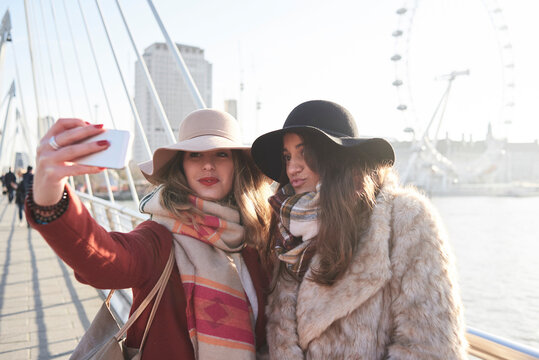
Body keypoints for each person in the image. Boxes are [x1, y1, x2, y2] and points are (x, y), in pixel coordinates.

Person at [26, 110, 273, 359]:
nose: (208, 165)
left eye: (221, 154)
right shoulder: (158, 239)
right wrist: (50, 194)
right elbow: (106, 259)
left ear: (237, 165)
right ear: (181, 166)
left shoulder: (256, 238)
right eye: (195, 155)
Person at [251, 100, 468, 359]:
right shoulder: (287, 235)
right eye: (287, 156)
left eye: (304, 153)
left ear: (337, 156)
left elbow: (431, 347)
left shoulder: (404, 219)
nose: (292, 168)